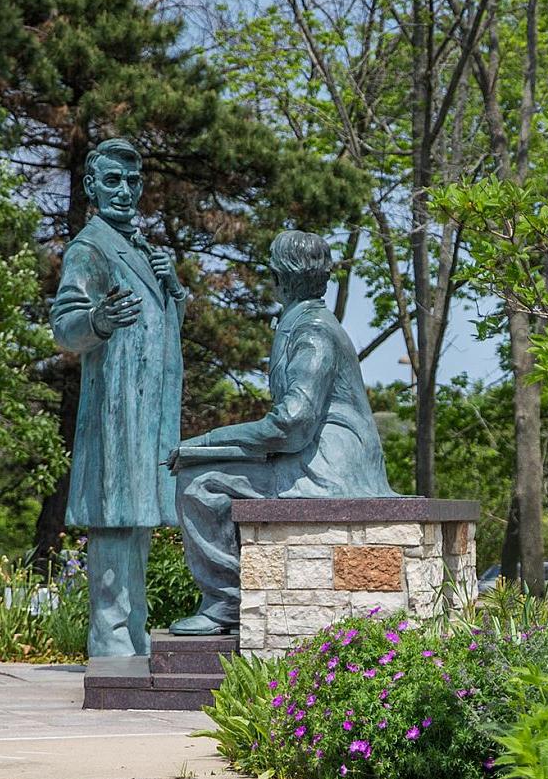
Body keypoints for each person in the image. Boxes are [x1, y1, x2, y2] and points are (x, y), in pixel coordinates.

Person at [167, 230, 397, 635]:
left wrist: (203, 444)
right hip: (314, 461)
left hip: (325, 473)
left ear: (280, 279)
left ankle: (226, 602)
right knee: (203, 470)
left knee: (197, 482)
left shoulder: (313, 331)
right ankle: (230, 599)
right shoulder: (307, 324)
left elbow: (291, 425)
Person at [50, 138, 186, 657]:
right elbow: (65, 327)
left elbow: (160, 329)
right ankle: (110, 642)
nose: (125, 191)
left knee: (138, 525)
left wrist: (174, 292)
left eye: (132, 181)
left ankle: (133, 635)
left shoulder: (143, 249)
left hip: (148, 413)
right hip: (115, 413)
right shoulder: (90, 248)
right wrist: (98, 321)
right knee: (114, 521)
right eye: (113, 181)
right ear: (91, 187)